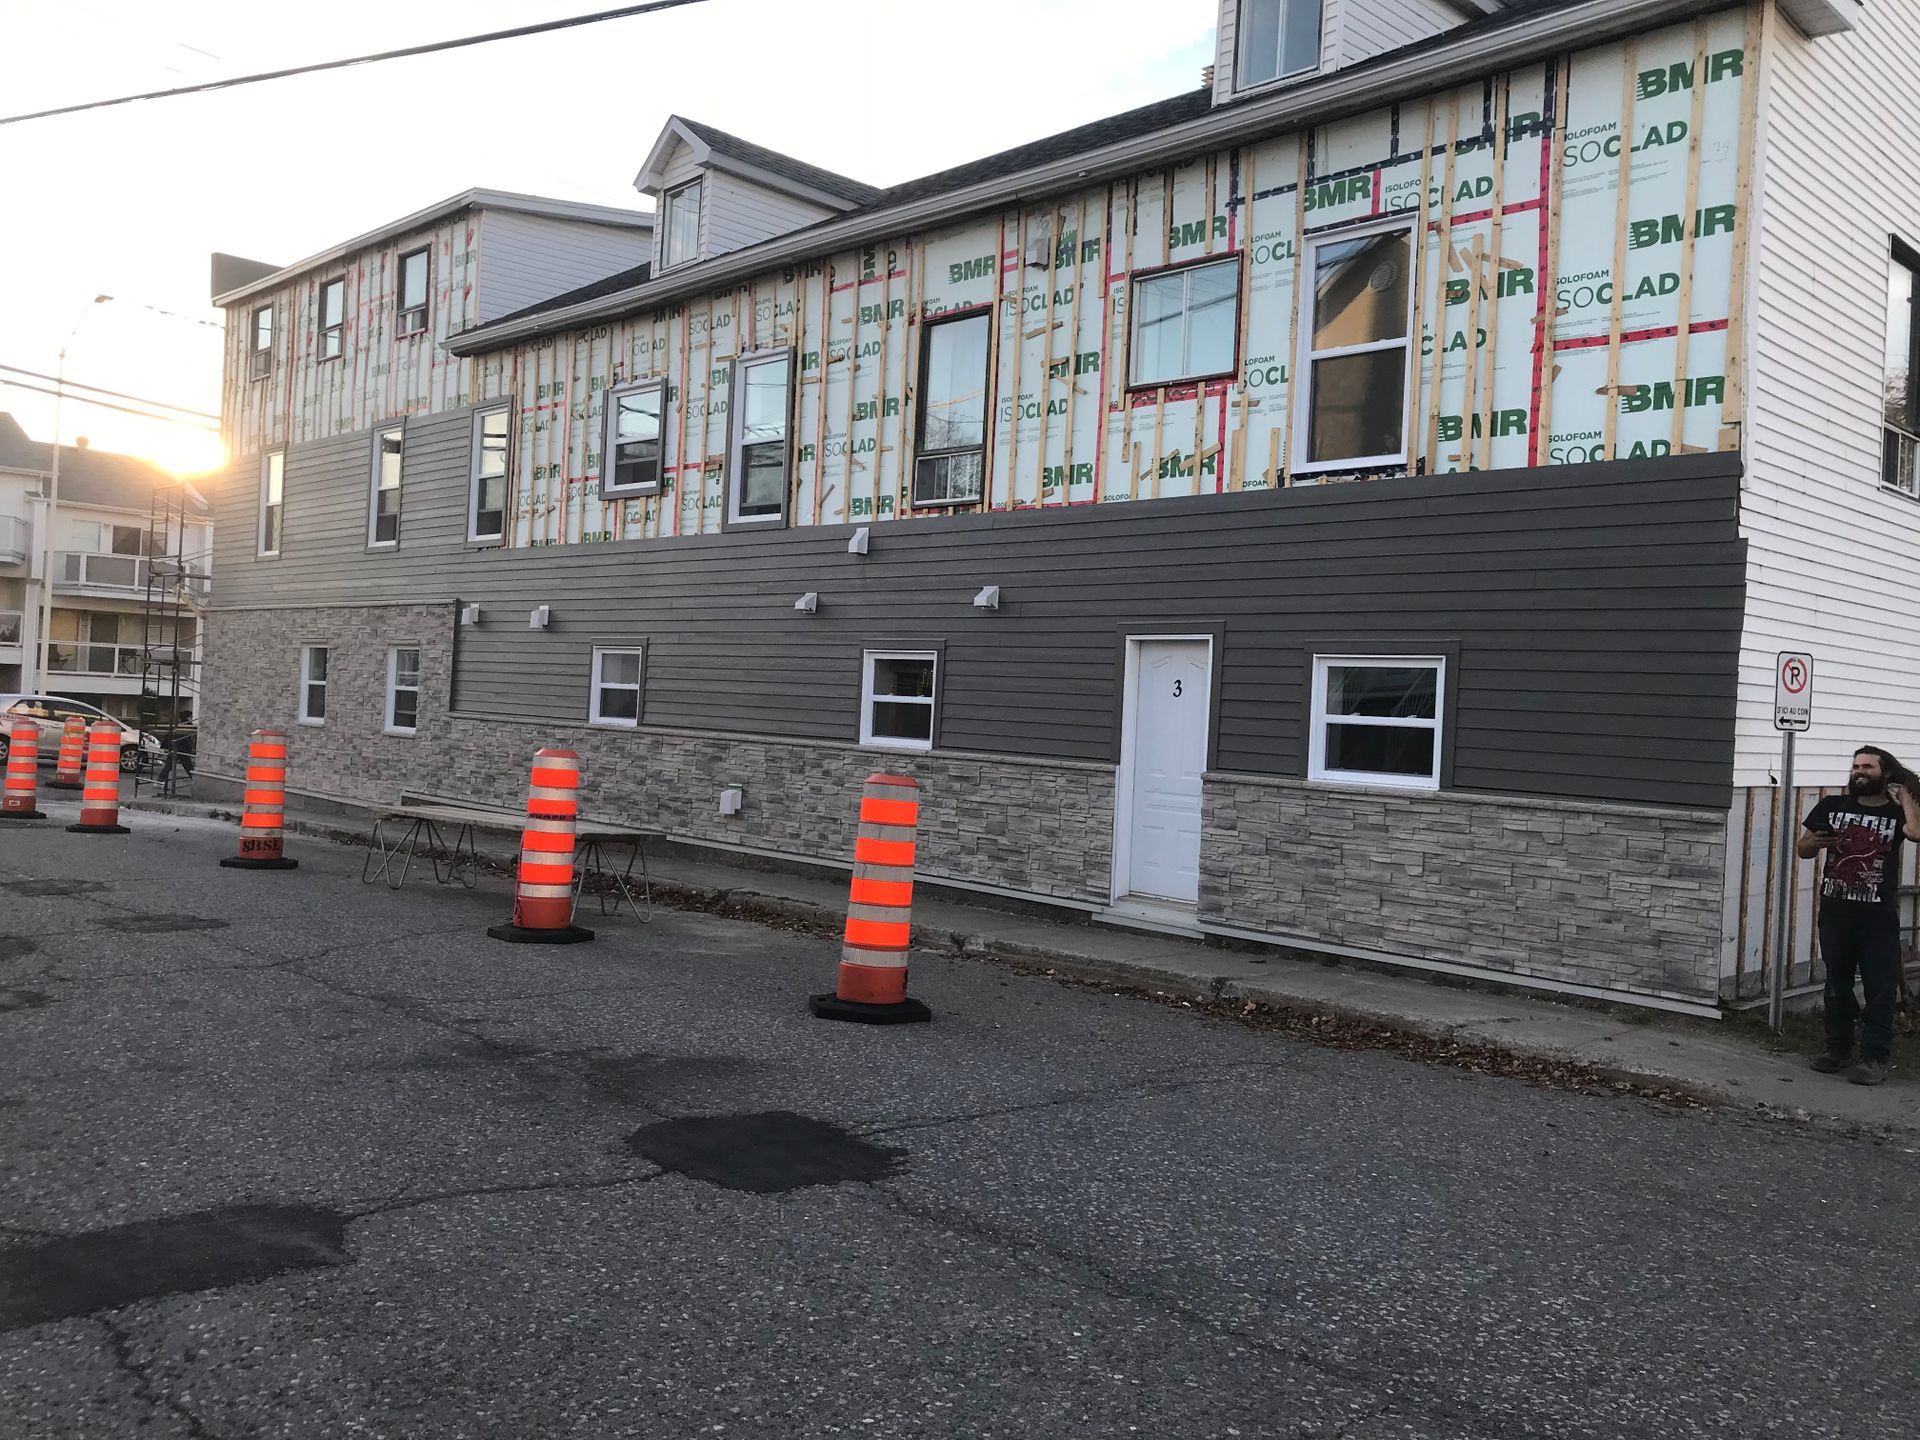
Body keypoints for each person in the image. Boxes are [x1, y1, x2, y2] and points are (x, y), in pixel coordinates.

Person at [1796, 746, 1920, 1085]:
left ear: (1885, 773)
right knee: (1837, 983)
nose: (1859, 771)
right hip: (1836, 910)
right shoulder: (1832, 806)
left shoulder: (1896, 815)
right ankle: (1837, 1049)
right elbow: (1803, 849)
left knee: (1879, 988)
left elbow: (1915, 833)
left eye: (1867, 766)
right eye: (1855, 766)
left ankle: (1874, 1058)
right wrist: (1814, 844)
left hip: (1877, 915)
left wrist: (1905, 793)